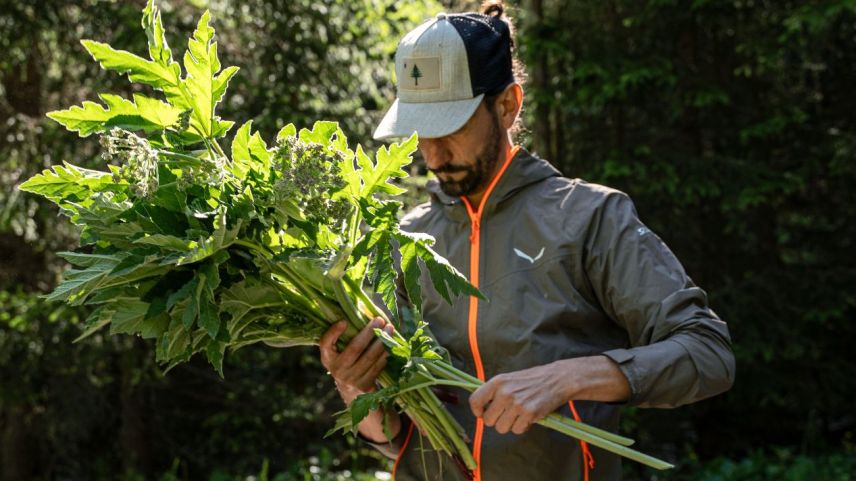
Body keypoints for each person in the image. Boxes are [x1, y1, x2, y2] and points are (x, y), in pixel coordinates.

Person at [319, 2, 736, 480]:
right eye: (419, 130)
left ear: (508, 104)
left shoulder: (589, 218)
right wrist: (353, 385)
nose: (431, 153)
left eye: (450, 125)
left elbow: (708, 353)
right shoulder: (400, 240)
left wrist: (569, 377)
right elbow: (394, 438)